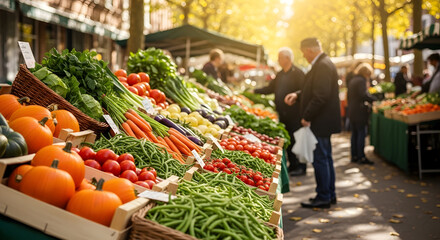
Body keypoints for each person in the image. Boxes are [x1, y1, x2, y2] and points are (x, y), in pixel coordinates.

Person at [284, 38, 341, 209]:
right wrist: (298, 95)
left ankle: (323, 196)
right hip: (323, 121)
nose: (303, 56)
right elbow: (315, 90)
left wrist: (307, 116)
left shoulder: (322, 65)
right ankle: (328, 194)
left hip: (320, 121)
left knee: (320, 159)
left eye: (303, 52)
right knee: (326, 158)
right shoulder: (324, 63)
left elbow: (320, 95)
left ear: (309, 50)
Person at [254, 47, 306, 176]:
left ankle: (301, 166)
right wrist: (255, 91)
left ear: (287, 58)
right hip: (282, 113)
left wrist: (296, 94)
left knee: (296, 139)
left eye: (279, 57)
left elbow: (305, 91)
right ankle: (293, 165)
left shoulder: (298, 73)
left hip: (295, 113)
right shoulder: (280, 74)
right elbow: (270, 88)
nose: (278, 60)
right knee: (287, 139)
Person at [347, 63, 377, 165]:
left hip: (352, 110)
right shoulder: (361, 80)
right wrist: (374, 99)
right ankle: (361, 157)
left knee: (354, 133)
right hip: (359, 111)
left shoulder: (353, 80)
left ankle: (354, 155)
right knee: (361, 133)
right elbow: (363, 95)